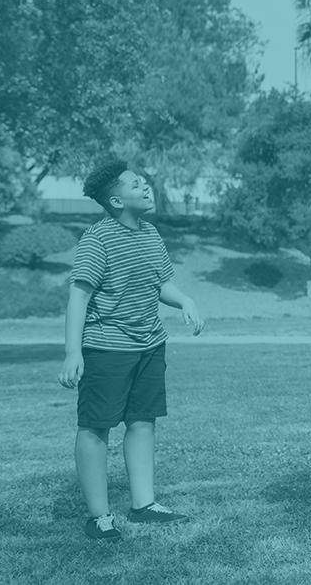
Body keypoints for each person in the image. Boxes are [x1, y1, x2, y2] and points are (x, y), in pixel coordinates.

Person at [59, 160, 205, 541]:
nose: (145, 187)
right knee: (96, 427)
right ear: (116, 200)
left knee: (142, 421)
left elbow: (161, 283)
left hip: (149, 344)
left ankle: (144, 505)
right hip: (107, 348)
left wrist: (185, 300)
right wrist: (73, 352)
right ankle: (98, 516)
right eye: (136, 184)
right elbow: (79, 296)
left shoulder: (150, 233)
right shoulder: (98, 239)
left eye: (144, 183)